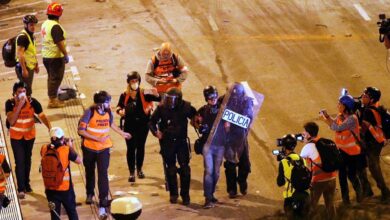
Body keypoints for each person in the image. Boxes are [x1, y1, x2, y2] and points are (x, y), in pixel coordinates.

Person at [78, 91, 131, 219]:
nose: (110, 104)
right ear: (101, 104)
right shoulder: (89, 112)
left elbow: (110, 123)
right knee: (90, 171)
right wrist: (96, 139)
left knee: (103, 173)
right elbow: (81, 130)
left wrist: (121, 133)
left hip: (104, 149)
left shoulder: (108, 112)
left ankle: (103, 200)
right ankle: (90, 193)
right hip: (89, 148)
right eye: (108, 101)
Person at [149, 88, 196, 205]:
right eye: (168, 99)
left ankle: (185, 195)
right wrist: (156, 132)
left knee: (185, 170)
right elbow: (151, 122)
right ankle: (173, 194)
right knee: (171, 169)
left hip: (181, 142)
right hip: (167, 142)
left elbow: (196, 116)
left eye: (172, 99)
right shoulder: (161, 108)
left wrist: (197, 122)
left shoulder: (186, 107)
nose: (169, 102)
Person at [5, 81, 51, 199]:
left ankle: (26, 183)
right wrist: (19, 105)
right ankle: (21, 188)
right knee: (20, 162)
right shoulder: (10, 104)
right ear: (15, 93)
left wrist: (51, 129)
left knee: (27, 160)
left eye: (24, 91)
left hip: (29, 136)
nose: (22, 94)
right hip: (16, 137)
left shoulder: (32, 102)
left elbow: (42, 116)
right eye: (19, 92)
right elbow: (11, 121)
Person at [116, 71, 160, 182]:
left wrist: (156, 94)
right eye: (132, 81)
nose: (134, 83)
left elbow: (158, 99)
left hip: (143, 125)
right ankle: (131, 172)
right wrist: (120, 111)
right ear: (129, 82)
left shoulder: (144, 93)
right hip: (129, 125)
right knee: (131, 149)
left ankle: (139, 169)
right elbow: (119, 106)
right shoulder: (124, 95)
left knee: (141, 147)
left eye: (136, 81)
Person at [321, 95, 363, 204]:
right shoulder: (341, 115)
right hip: (342, 151)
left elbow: (337, 128)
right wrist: (327, 116)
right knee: (342, 176)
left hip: (352, 152)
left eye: (340, 104)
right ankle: (346, 200)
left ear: (346, 107)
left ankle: (360, 196)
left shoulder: (352, 119)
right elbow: (335, 123)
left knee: (352, 175)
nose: (338, 105)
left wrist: (325, 121)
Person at [193, 85, 225, 208]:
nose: (213, 99)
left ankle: (211, 195)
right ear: (206, 98)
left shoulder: (223, 108)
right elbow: (195, 123)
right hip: (208, 145)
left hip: (220, 145)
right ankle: (208, 198)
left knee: (216, 173)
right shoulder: (202, 111)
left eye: (215, 96)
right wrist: (200, 127)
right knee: (209, 171)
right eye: (210, 97)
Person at [41, 127, 81, 220]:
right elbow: (79, 161)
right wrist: (70, 146)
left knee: (55, 215)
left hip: (50, 188)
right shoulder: (66, 150)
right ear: (62, 138)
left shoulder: (44, 148)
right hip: (65, 189)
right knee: (71, 212)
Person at [300, 122, 337, 219]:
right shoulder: (325, 142)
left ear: (308, 134)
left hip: (318, 181)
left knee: (313, 206)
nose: (303, 134)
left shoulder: (308, 147)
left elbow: (300, 162)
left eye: (304, 132)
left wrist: (305, 144)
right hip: (332, 178)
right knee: (330, 204)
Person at [223, 83, 253, 198]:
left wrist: (230, 120)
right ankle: (231, 189)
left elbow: (247, 118)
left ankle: (242, 181)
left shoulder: (246, 102)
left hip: (241, 135)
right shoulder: (223, 101)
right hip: (228, 137)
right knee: (230, 165)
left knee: (244, 164)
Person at [360, 87, 390, 201]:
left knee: (374, 167)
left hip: (373, 142)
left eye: (365, 96)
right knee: (372, 165)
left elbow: (364, 127)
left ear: (371, 99)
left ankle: (385, 192)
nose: (363, 97)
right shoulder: (377, 106)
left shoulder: (368, 111)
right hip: (378, 141)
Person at [41, 2, 69, 108]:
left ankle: (53, 97)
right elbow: (59, 42)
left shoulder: (45, 23)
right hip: (55, 57)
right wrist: (65, 54)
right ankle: (52, 100)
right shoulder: (55, 27)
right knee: (56, 78)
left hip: (46, 56)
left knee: (51, 78)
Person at [276, 134, 310, 220]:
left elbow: (280, 183)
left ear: (284, 147)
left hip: (290, 198)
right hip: (305, 195)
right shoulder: (302, 159)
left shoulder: (283, 162)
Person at [15, 15, 39, 96]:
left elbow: (32, 51)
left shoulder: (31, 35)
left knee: (27, 88)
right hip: (24, 66)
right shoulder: (23, 37)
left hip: (30, 66)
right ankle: (24, 106)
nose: (33, 27)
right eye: (31, 25)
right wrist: (24, 69)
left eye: (34, 25)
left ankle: (26, 106)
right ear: (25, 25)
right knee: (26, 89)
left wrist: (36, 64)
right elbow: (20, 54)